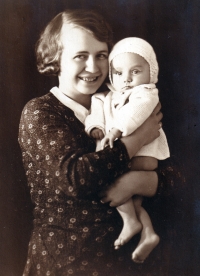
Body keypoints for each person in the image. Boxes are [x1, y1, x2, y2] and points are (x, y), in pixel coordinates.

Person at [18, 9, 164, 276]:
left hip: (124, 263)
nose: (93, 67)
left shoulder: (127, 104)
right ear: (56, 60)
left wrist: (143, 182)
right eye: (80, 56)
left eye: (101, 55)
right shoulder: (41, 112)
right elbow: (75, 177)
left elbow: (174, 174)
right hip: (65, 263)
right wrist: (137, 139)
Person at [85, 37, 170, 262]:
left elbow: (136, 113)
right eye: (120, 73)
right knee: (132, 199)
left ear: (150, 72)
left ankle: (131, 222)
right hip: (134, 158)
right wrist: (96, 126)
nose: (127, 79)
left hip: (144, 154)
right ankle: (147, 232)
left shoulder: (146, 93)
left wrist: (116, 130)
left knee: (105, 176)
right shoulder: (108, 96)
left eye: (135, 71)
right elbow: (98, 112)